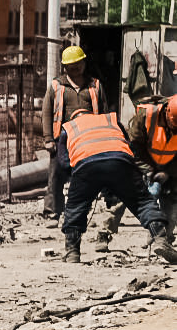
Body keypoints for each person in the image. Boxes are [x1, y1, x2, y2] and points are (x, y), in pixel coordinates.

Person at [56, 110, 177, 266]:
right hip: (120, 161)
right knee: (143, 202)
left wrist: (80, 181)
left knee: (75, 207)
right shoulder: (109, 120)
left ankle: (72, 252)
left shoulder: (69, 127)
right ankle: (160, 239)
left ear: (74, 117)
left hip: (86, 165)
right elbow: (126, 144)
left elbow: (63, 162)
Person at [93, 93, 177, 250]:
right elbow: (133, 148)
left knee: (172, 202)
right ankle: (103, 234)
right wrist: (148, 170)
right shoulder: (147, 116)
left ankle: (162, 239)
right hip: (142, 161)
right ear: (167, 113)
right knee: (122, 195)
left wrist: (167, 172)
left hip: (169, 165)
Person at [42, 46, 107, 218]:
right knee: (56, 175)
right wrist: (48, 138)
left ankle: (78, 210)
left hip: (88, 141)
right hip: (62, 140)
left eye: (78, 64)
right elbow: (47, 112)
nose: (75, 68)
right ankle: (52, 211)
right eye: (71, 65)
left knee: (85, 176)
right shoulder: (56, 86)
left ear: (84, 63)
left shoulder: (95, 86)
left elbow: (104, 113)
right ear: (65, 67)